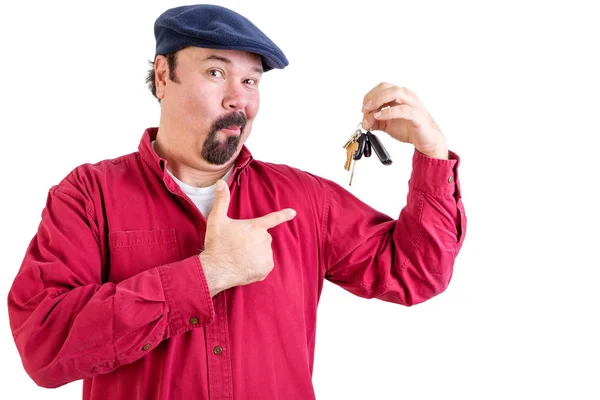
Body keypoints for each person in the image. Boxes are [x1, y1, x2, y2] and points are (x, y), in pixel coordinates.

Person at [7, 4, 466, 399]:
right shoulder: (89, 196)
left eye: (251, 81)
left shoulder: (304, 199)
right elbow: (43, 345)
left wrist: (431, 152)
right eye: (216, 72)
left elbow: (417, 272)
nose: (237, 98)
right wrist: (209, 274)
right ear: (164, 76)